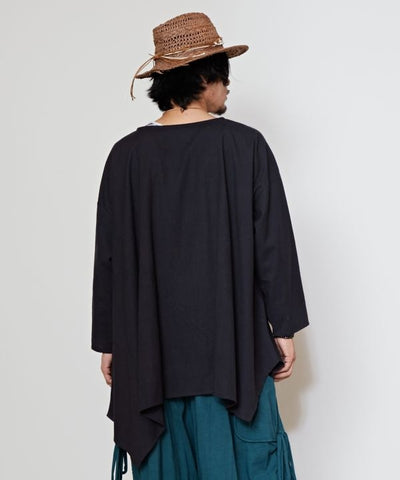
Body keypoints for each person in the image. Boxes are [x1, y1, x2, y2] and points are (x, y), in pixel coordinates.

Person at [91, 11, 310, 480]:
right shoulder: (246, 146)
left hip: (150, 357)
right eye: (223, 75)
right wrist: (284, 327)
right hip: (231, 355)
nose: (228, 87)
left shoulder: (125, 156)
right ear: (204, 77)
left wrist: (110, 342)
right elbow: (273, 242)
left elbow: (109, 257)